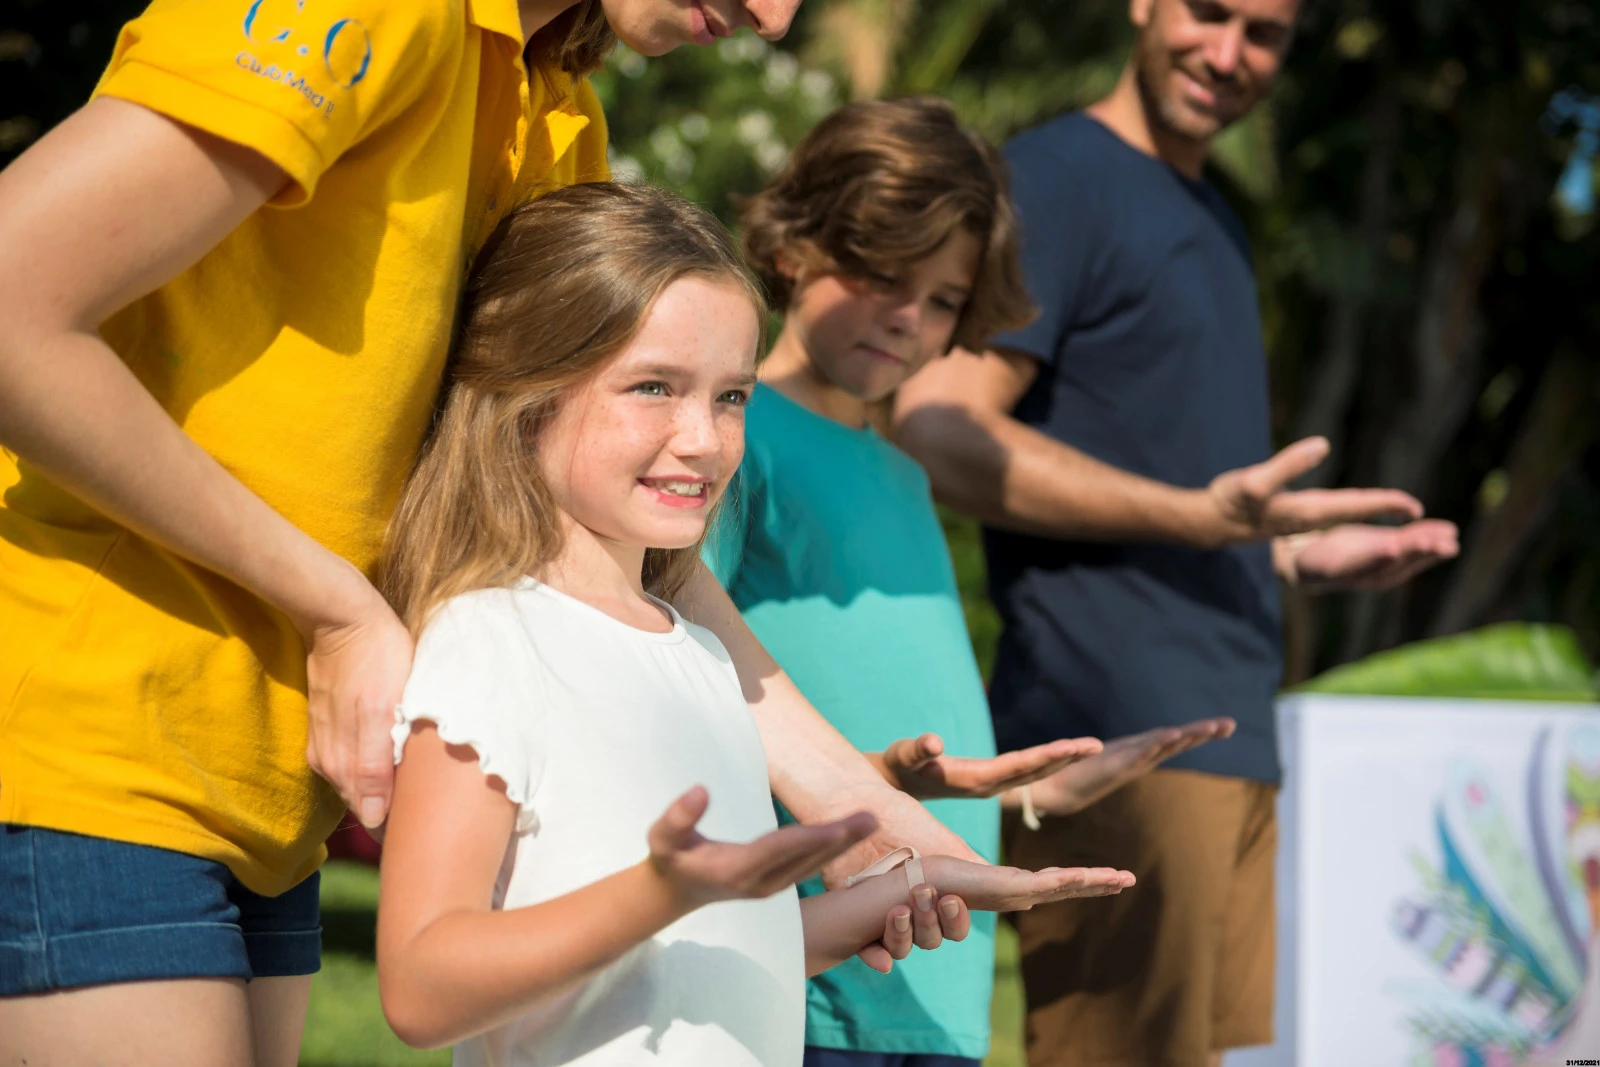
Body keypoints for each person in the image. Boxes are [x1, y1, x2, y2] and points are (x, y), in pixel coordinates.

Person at [0, 0, 1081, 1063]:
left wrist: (864, 811)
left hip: (264, 794)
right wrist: (335, 606)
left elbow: (639, 547)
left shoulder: (557, 107)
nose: (773, 15)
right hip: (89, 738)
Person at [375, 181, 1127, 1067]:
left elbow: (706, 958)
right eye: (654, 386)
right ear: (529, 388)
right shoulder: (490, 639)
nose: (704, 438)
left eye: (731, 396)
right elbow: (421, 987)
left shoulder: (700, 655)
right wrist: (661, 891)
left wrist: (901, 890)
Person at [892, 0, 1462, 1064]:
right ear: (1142, 4)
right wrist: (1202, 521)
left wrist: (1284, 553)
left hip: (1231, 729)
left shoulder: (1217, 213)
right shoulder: (1056, 178)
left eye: (1265, 33)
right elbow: (936, 423)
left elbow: (1176, 483)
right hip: (1115, 731)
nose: (1228, 52)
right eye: (1207, 12)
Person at [711, 97, 1232, 1067]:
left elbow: (894, 716)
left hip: (942, 980)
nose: (908, 315)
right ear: (793, 247)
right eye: (880, 274)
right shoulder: (733, 434)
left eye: (944, 298)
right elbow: (686, 676)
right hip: (817, 969)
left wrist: (1036, 795)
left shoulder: (904, 473)